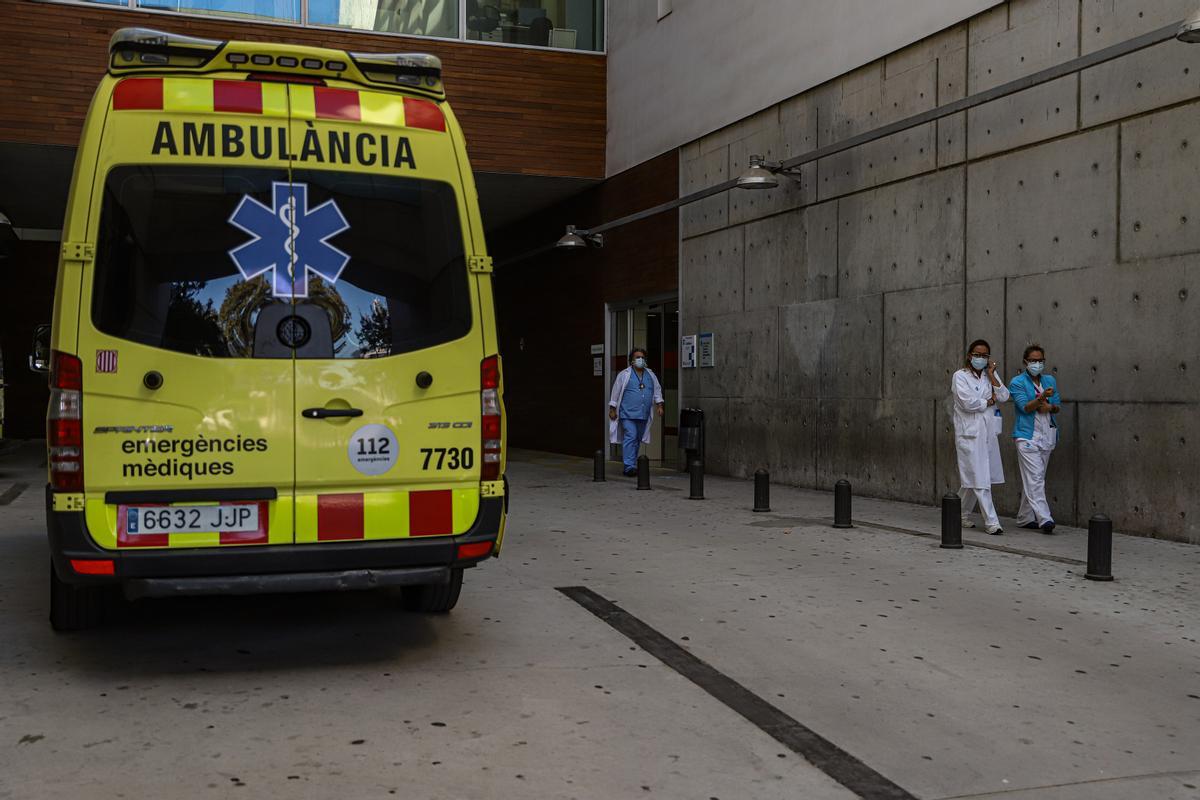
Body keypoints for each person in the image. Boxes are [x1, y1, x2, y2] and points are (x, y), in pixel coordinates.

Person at [952, 339, 1010, 534]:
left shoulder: (989, 375)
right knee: (980, 477)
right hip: (969, 434)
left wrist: (993, 376)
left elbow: (1004, 396)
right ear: (969, 356)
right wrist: (989, 401)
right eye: (977, 355)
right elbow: (967, 403)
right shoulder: (960, 376)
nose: (981, 359)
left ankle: (957, 513)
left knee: (973, 478)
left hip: (988, 433)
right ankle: (992, 522)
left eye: (985, 355)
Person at [1008, 344, 1061, 534]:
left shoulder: (1050, 380)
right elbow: (1024, 407)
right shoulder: (1017, 382)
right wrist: (1041, 400)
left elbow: (1057, 406)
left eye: (1040, 360)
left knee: (1034, 478)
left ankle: (1024, 517)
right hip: (1026, 436)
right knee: (1036, 477)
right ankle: (1045, 518)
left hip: (1047, 434)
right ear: (1025, 362)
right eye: (1033, 360)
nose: (1037, 364)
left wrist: (1050, 407)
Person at [608, 348, 665, 477]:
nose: (640, 360)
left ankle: (632, 464)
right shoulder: (624, 374)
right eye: (637, 357)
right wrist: (612, 409)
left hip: (643, 414)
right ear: (632, 360)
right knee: (631, 436)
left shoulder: (650, 375)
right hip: (627, 414)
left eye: (642, 357)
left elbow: (657, 391)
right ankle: (628, 466)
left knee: (638, 439)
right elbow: (615, 392)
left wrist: (659, 405)